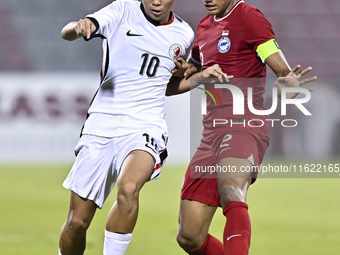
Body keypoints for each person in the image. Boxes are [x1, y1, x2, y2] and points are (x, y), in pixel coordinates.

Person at [57, 0, 233, 254]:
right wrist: (78, 27)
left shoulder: (183, 34)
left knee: (129, 187)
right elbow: (68, 32)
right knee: (77, 223)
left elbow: (165, 85)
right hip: (102, 123)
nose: (157, 1)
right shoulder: (121, 11)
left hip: (145, 125)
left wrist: (199, 78)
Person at [174, 0, 317, 255]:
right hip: (211, 133)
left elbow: (283, 70)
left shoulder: (249, 17)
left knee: (231, 188)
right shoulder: (204, 26)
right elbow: (195, 67)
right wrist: (185, 70)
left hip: (245, 125)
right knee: (189, 235)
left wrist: (288, 84)